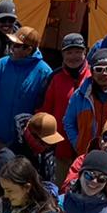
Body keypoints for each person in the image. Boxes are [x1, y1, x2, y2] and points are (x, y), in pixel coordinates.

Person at [0, 26, 53, 151]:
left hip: (25, 142)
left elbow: (44, 106)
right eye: (12, 44)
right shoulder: (2, 64)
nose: (11, 48)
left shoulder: (44, 72)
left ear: (28, 49)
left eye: (16, 45)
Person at [64, 49, 107, 155]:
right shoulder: (80, 95)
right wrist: (78, 144)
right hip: (86, 155)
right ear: (92, 71)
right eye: (99, 69)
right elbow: (68, 122)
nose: (104, 73)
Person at [41, 33, 89, 163]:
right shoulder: (55, 78)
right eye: (69, 52)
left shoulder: (93, 77)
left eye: (78, 52)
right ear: (62, 55)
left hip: (88, 148)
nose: (74, 57)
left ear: (85, 52)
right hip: (61, 146)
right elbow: (46, 111)